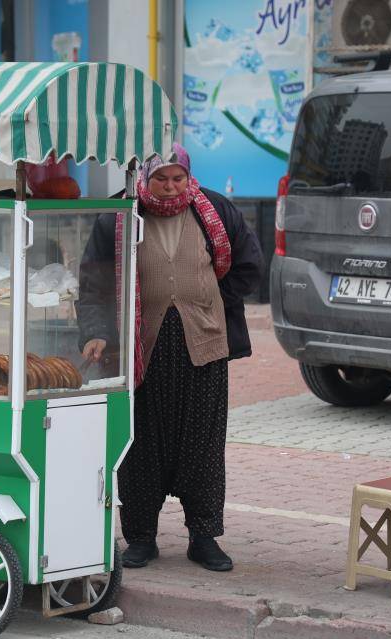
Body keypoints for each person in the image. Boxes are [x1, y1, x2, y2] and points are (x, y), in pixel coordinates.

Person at [76, 143, 262, 571]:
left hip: (205, 346)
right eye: (162, 178)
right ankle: (141, 537)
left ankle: (204, 537)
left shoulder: (214, 209)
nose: (170, 186)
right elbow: (95, 282)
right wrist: (98, 332)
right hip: (143, 348)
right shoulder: (120, 216)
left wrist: (214, 300)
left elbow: (250, 265)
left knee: (203, 446)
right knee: (141, 445)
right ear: (145, 176)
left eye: (178, 178)